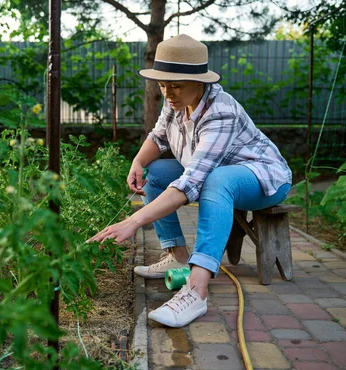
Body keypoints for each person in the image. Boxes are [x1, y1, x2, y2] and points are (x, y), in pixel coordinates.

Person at [88, 34, 292, 328]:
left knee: (217, 180)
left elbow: (191, 183)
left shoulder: (220, 112)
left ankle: (196, 290)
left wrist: (134, 221)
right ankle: (178, 256)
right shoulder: (176, 100)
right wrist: (138, 162)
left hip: (262, 177)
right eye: (162, 84)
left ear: (200, 82)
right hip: (216, 173)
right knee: (156, 173)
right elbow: (158, 137)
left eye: (175, 84)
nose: (167, 92)